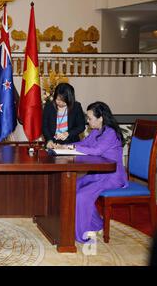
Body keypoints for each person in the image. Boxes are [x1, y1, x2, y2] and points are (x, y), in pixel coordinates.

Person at [57, 101, 128, 243]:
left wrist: (71, 150)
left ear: (100, 117)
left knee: (81, 196)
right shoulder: (96, 131)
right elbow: (83, 144)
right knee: (71, 187)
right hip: (97, 173)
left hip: (111, 176)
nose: (87, 121)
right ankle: (94, 223)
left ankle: (83, 234)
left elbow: (96, 151)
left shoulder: (110, 133)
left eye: (89, 118)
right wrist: (65, 146)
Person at [42, 83, 86, 149]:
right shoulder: (49, 106)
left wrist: (68, 133)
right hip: (53, 144)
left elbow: (81, 126)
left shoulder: (76, 107)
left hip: (70, 143)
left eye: (64, 101)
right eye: (58, 100)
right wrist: (49, 140)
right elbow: (44, 126)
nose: (60, 103)